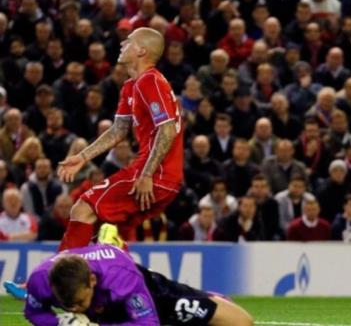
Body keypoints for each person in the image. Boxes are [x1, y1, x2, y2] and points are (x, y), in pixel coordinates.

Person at [55, 27, 184, 251]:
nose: (122, 45)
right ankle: (121, 283)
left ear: (142, 51)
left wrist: (146, 174)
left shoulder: (150, 81)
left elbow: (167, 130)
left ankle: (50, 281)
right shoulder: (131, 86)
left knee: (83, 209)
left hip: (154, 175)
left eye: (129, 42)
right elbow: (118, 130)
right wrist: (83, 157)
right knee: (105, 232)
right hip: (159, 176)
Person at [17, 240, 254, 325]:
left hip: (153, 295)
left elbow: (147, 323)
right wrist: (59, 322)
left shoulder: (122, 279)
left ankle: (210, 297)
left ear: (92, 281)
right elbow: (34, 313)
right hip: (105, 310)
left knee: (240, 322)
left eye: (79, 303)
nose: (75, 310)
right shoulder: (41, 280)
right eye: (66, 305)